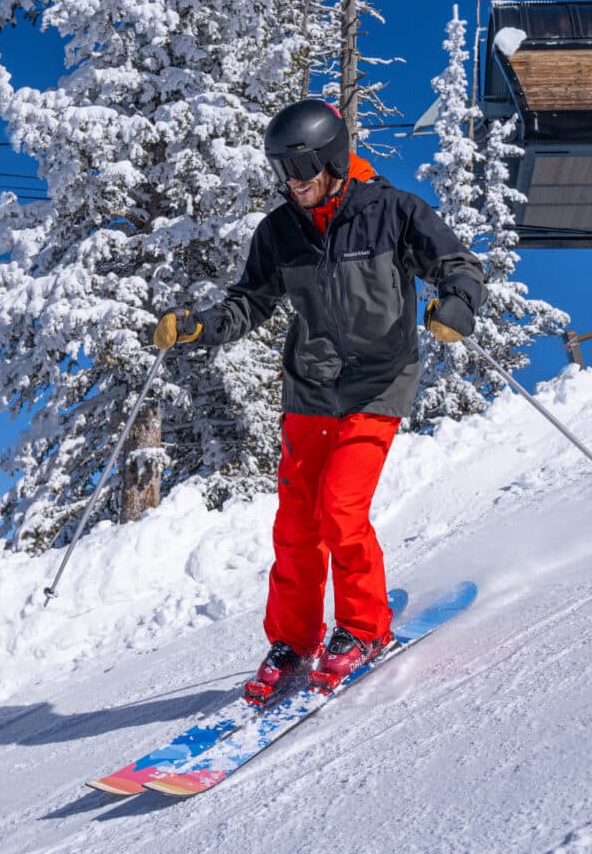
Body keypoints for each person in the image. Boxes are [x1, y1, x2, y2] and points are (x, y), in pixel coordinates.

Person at [153, 99, 484, 705]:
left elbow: (458, 264)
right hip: (309, 387)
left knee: (340, 508)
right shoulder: (280, 230)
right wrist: (200, 326)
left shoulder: (393, 211)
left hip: (378, 382)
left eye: (301, 168)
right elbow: (248, 302)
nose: (293, 182)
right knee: (297, 524)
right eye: (284, 171)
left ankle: (363, 627)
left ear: (331, 158)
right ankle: (293, 642)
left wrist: (457, 303)